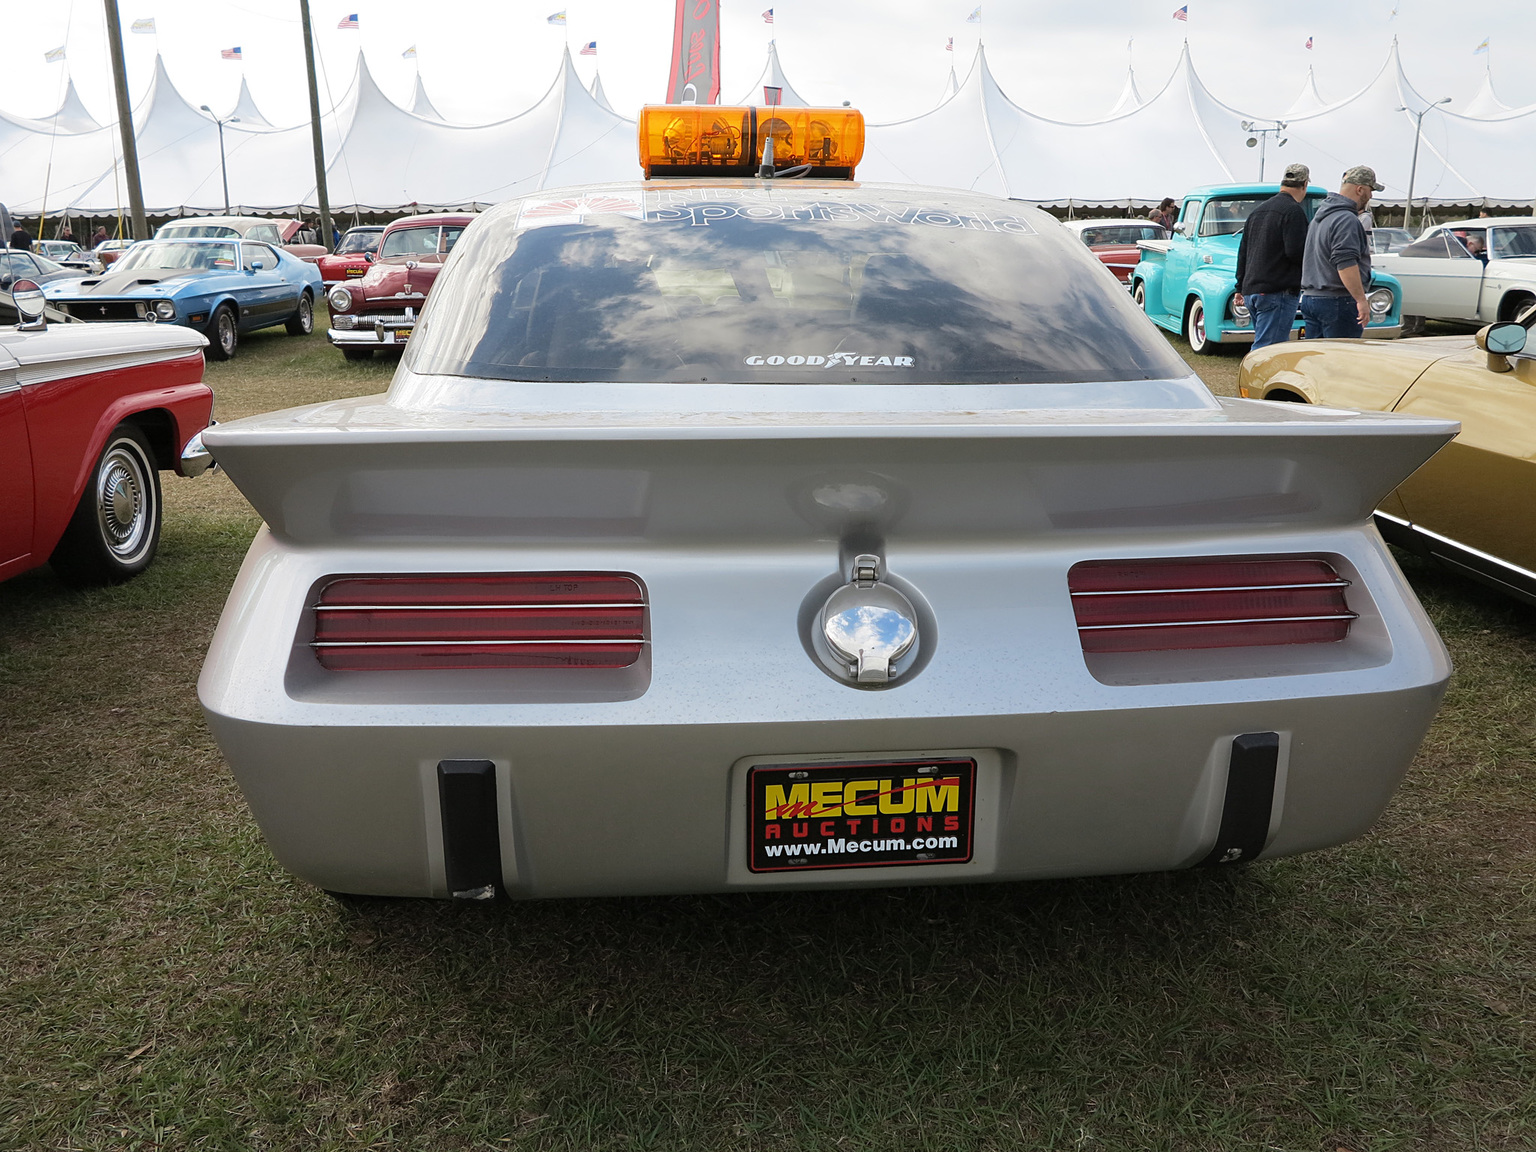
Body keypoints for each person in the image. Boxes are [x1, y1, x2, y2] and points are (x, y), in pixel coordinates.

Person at [1300, 165, 1383, 340]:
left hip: (1311, 297)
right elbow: (1345, 263)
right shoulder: (1346, 219)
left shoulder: (1319, 217)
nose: (1371, 196)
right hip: (1338, 301)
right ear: (1360, 189)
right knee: (1340, 361)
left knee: (1316, 360)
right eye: (1370, 190)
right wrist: (1360, 299)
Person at [1234, 163, 1311, 351]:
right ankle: (1254, 380)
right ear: (1304, 185)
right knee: (1269, 349)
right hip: (1277, 291)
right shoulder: (1294, 211)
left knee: (1264, 343)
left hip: (1252, 290)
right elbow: (1296, 252)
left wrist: (1239, 286)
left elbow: (1243, 252)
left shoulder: (1258, 211)